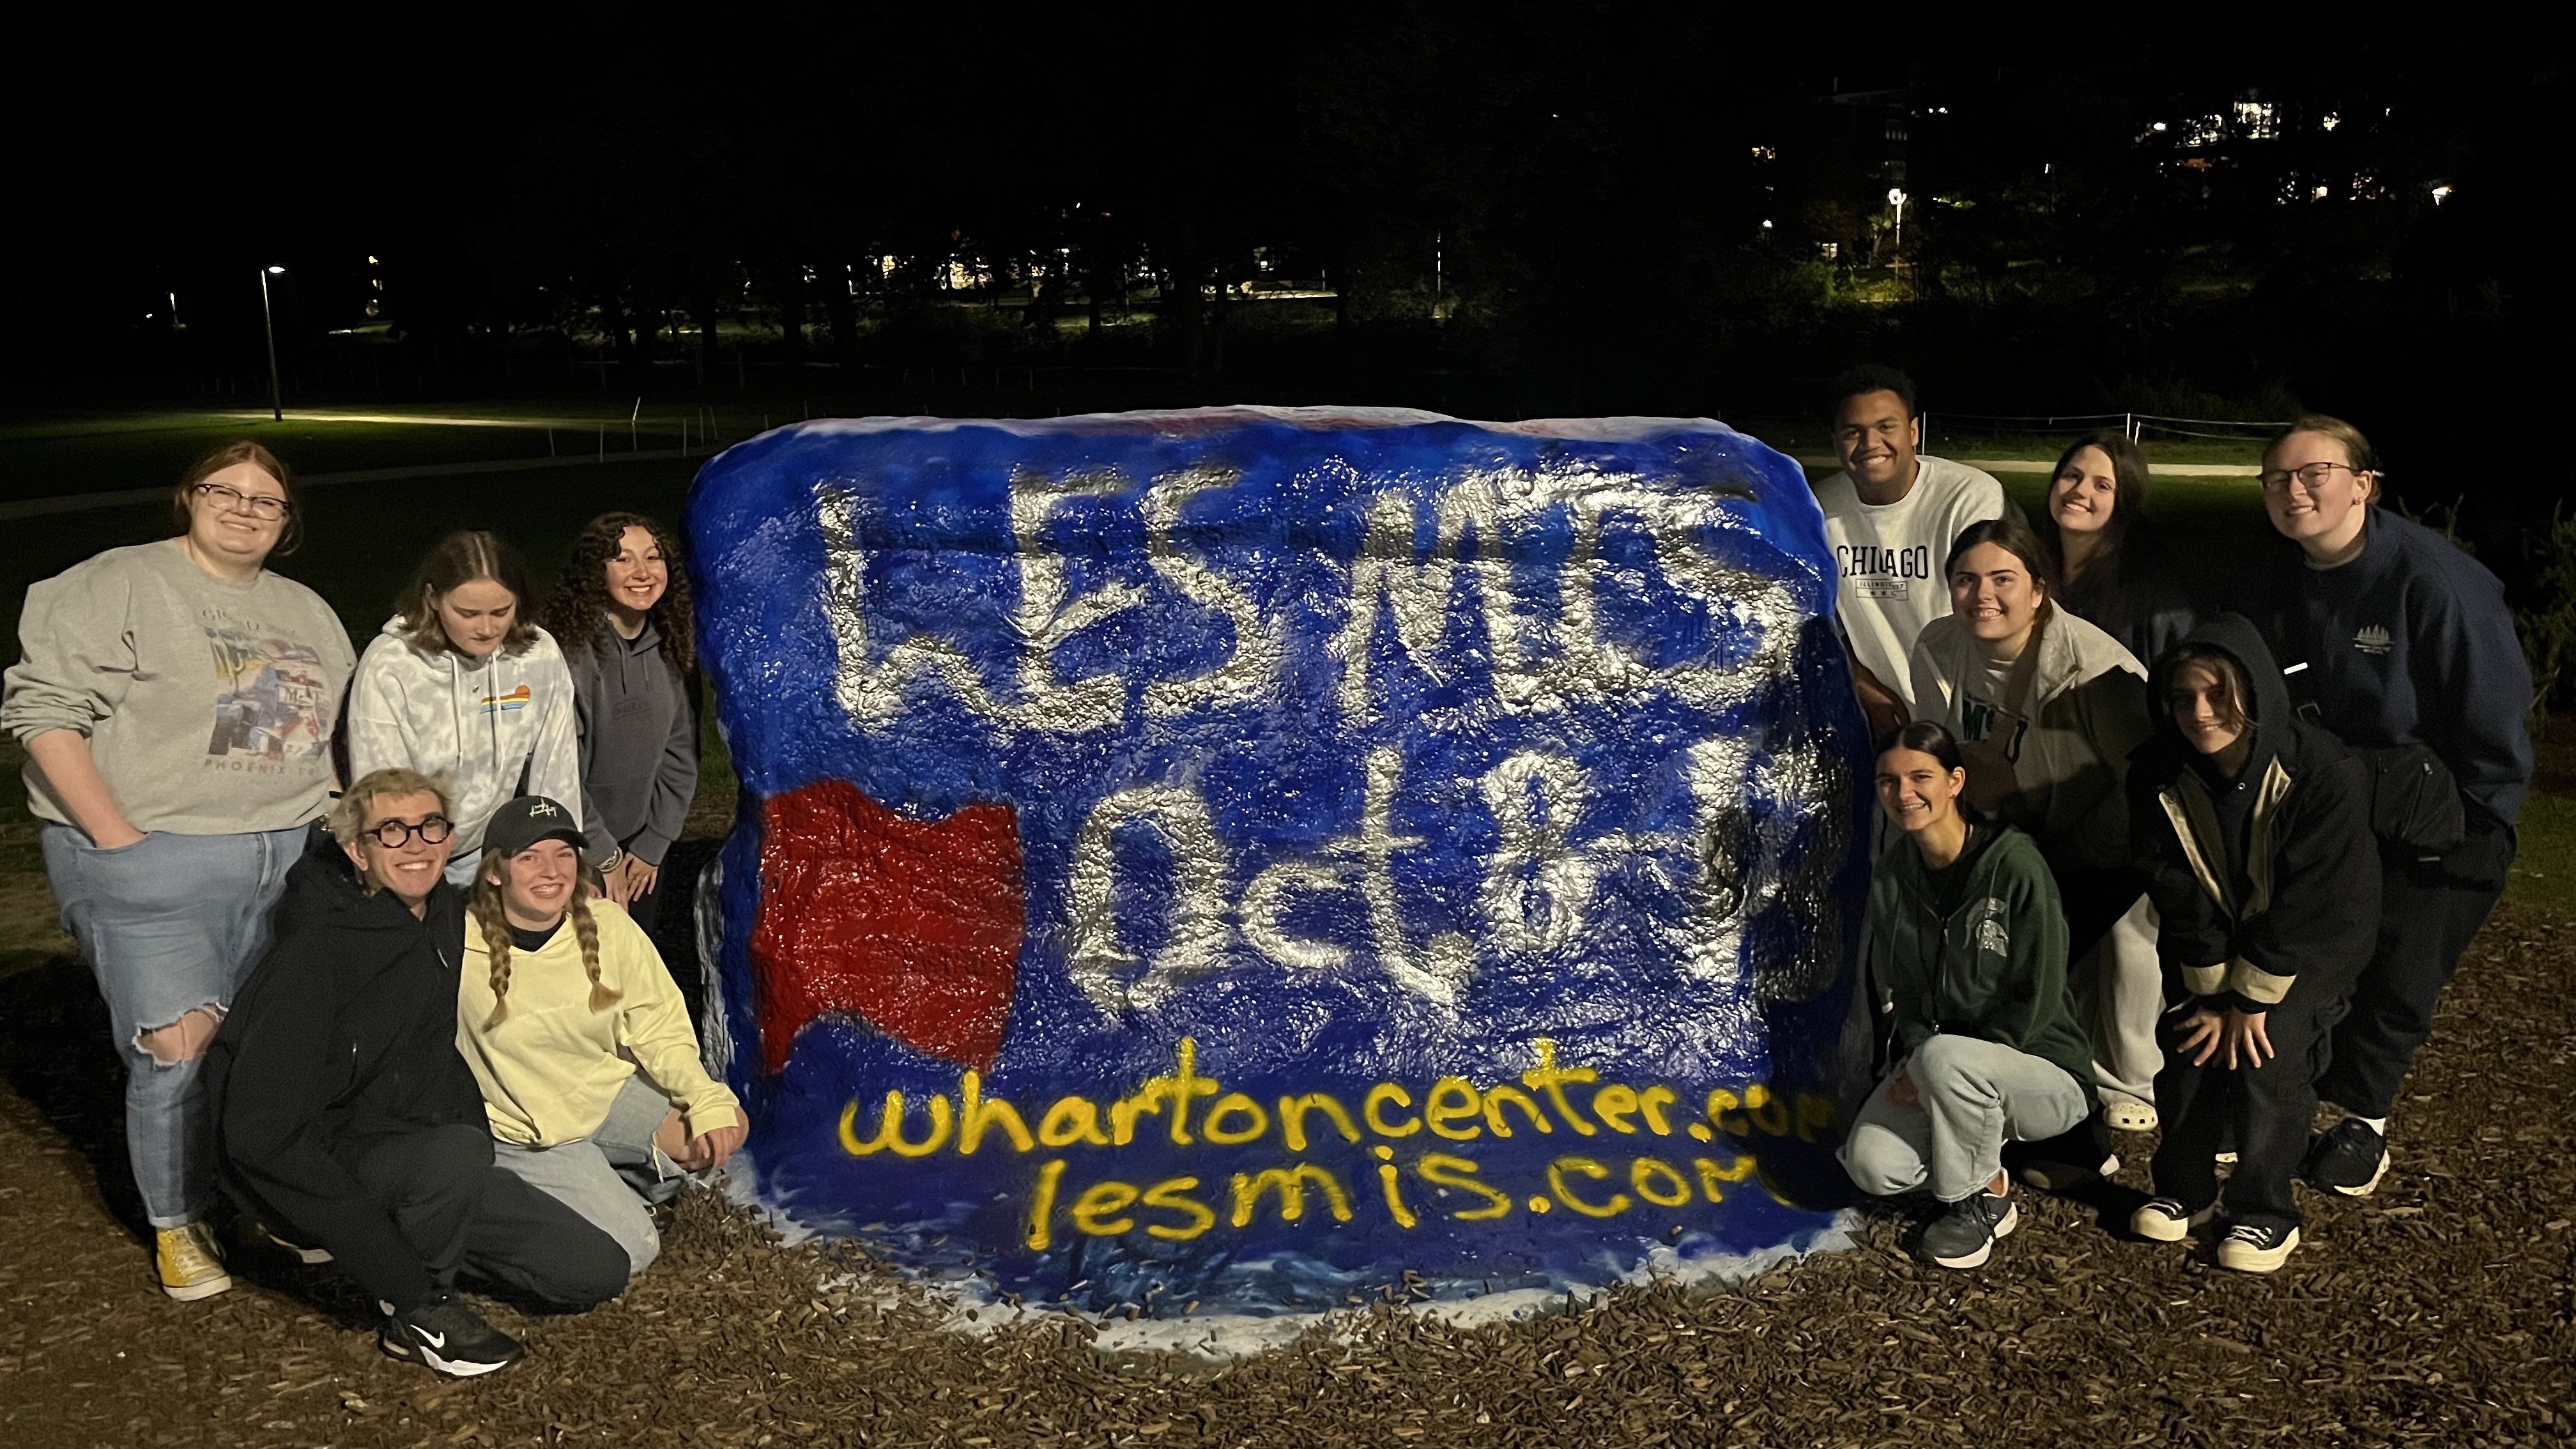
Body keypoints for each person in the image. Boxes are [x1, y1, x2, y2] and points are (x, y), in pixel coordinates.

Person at [1, 440, 353, 1300]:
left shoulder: (305, 608)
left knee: (264, 1047)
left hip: (286, 852)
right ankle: (178, 1221)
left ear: (287, 521)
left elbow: (340, 730)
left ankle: (250, 1194)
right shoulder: (119, 581)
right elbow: (44, 712)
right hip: (154, 852)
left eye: (265, 501)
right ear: (187, 499)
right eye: (222, 491)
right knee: (177, 1046)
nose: (243, 508)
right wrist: (118, 838)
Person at [207, 770, 630, 1377]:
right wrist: (402, 1277)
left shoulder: (443, 917)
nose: (416, 845)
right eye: (392, 831)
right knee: (454, 1155)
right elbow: (260, 1133)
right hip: (331, 1160)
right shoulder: (315, 950)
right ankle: (419, 1311)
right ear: (358, 850)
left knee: (592, 1270)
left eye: (430, 827)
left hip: (426, 1158)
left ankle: (410, 1241)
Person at [2232, 414, 2533, 1197]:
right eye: (2277, 479)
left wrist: (2469, 817)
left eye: (2314, 474)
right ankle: (2284, 1096)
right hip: (2344, 797)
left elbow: (2492, 713)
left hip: (2449, 805)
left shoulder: (2435, 582)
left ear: (2364, 483)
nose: (2293, 491)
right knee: (2314, 948)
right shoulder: (2281, 575)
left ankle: (2364, 1120)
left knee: (2403, 963)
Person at [2127, 618, 2380, 1271]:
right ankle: (2186, 1192)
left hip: (2310, 942)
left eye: (2219, 694)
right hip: (2214, 936)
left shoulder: (2326, 774)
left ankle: (2266, 1211)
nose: (2200, 713)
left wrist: (2251, 997)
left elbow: (2313, 901)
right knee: (2189, 1037)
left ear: (2258, 692)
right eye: (2183, 697)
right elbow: (2172, 883)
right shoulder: (2157, 771)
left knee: (2270, 1048)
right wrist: (2214, 993)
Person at [1907, 513, 2161, 1139]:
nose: (1982, 596)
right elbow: (1947, 760)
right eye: (1965, 580)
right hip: (2017, 801)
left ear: (2039, 589)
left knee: (2126, 931)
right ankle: (2041, 1056)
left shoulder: (2086, 668)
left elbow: (2072, 790)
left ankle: (2132, 1077)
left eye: (2002, 579)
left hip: (2119, 809)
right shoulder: (1939, 647)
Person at [1840, 721, 2096, 1270]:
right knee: (1872, 1165)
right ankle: (1988, 1166)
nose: (1903, 794)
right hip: (1948, 1065)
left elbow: (2040, 992)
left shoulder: (2014, 863)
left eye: (1920, 777)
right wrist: (1914, 1058)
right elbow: (1905, 991)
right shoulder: (1893, 876)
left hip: (2043, 1072)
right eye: (1888, 781)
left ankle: (1974, 1203)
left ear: (1955, 781)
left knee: (1944, 1058)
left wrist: (1936, 1064)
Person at [456, 796, 745, 1274]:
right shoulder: (460, 944)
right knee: (634, 1250)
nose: (551, 870)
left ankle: (608, 1182)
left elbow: (658, 1026)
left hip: (600, 1096)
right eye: (529, 857)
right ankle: (519, 1192)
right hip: (530, 1134)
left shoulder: (607, 923)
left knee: (724, 1121)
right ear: (494, 871)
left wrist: (703, 1096)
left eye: (564, 854)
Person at [348, 530, 581, 885]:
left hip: (494, 851)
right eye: (468, 613)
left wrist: (561, 859)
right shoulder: (391, 665)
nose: (488, 628)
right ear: (432, 599)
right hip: (414, 853)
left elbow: (557, 771)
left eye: (501, 611)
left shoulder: (538, 655)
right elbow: (382, 791)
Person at [1814, 364, 2008, 740]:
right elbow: (1819, 623)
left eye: (1886, 427)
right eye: (1854, 432)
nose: (1871, 443)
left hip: (1973, 708)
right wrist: (1865, 689)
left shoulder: (1968, 498)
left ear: (1914, 431)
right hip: (1885, 717)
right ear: (1836, 440)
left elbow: (1997, 610)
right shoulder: (1818, 510)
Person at [536, 513, 699, 935]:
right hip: (574, 846)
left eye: (653, 558)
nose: (642, 573)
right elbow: (560, 775)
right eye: (623, 560)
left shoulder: (670, 645)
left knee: (635, 967)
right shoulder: (570, 657)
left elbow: (680, 754)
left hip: (641, 851)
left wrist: (653, 846)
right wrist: (602, 857)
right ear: (596, 572)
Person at [2034, 429, 2196, 669]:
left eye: (2102, 486)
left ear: (2123, 500)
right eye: (2071, 475)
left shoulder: (2150, 602)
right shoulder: (2029, 569)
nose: (2079, 491)